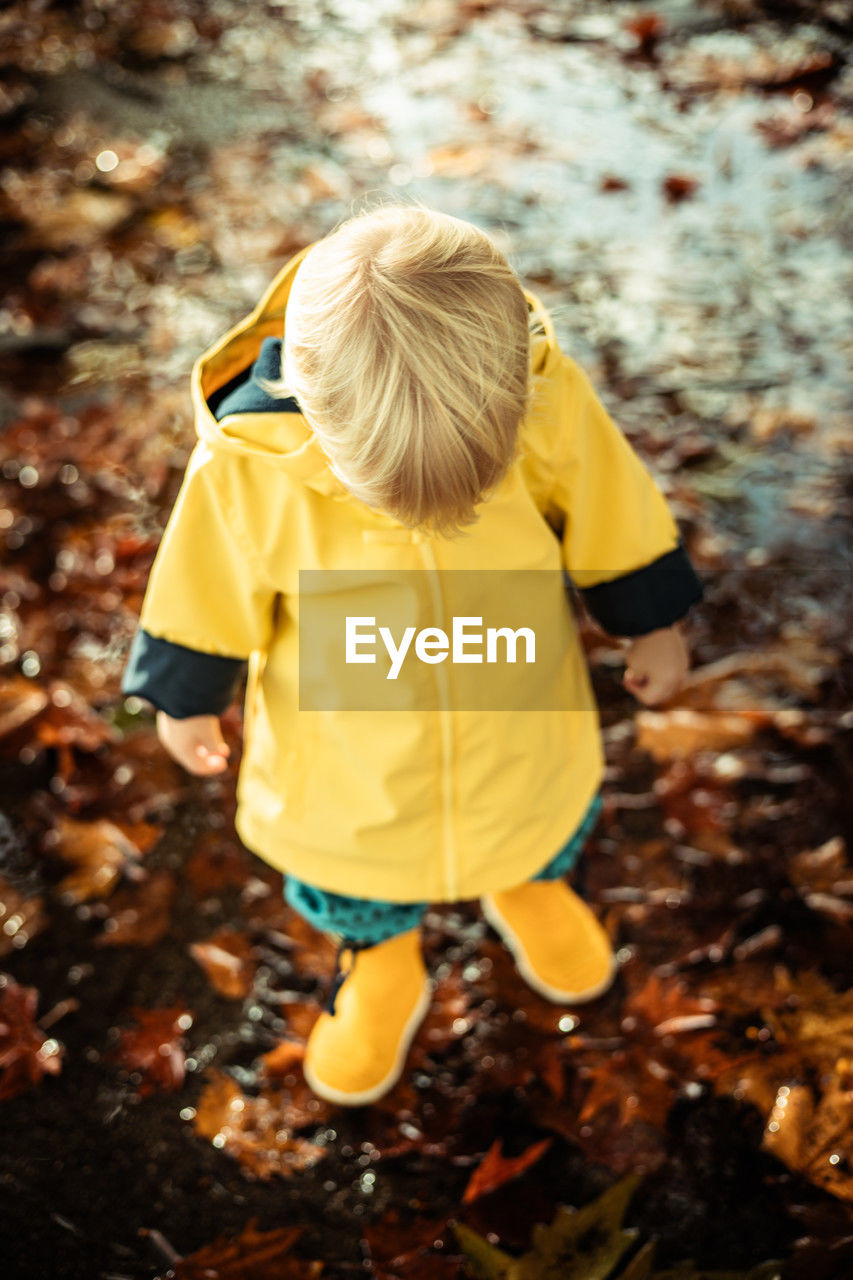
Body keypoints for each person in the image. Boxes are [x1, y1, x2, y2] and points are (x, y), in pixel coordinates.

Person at [121, 202, 704, 1107]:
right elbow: (204, 577)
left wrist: (648, 616)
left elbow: (607, 503)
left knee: (534, 816)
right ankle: (381, 963)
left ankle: (529, 887)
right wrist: (185, 691)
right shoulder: (252, 464)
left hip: (513, 706)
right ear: (308, 405)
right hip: (345, 754)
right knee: (355, 874)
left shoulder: (547, 404)